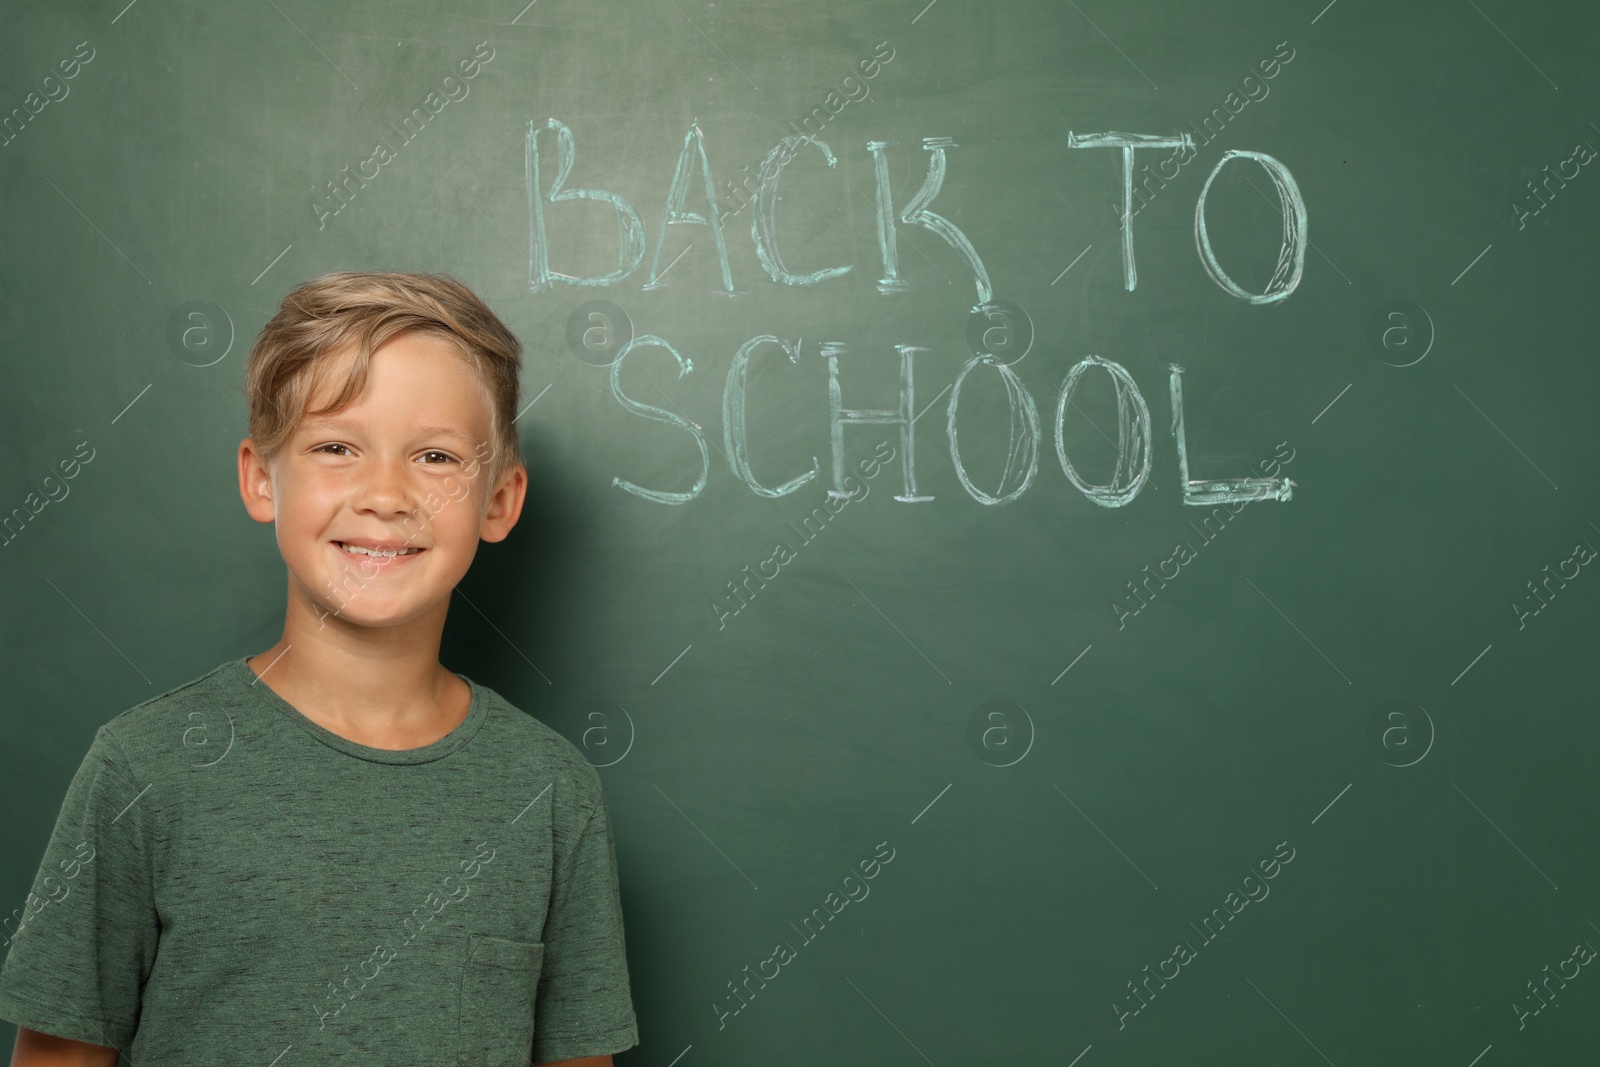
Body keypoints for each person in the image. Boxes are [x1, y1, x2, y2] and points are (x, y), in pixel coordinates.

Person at [0, 271, 638, 1066]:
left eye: (435, 456)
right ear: (261, 478)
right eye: (336, 446)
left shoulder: (550, 789)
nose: (384, 493)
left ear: (500, 501)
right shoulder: (144, 769)